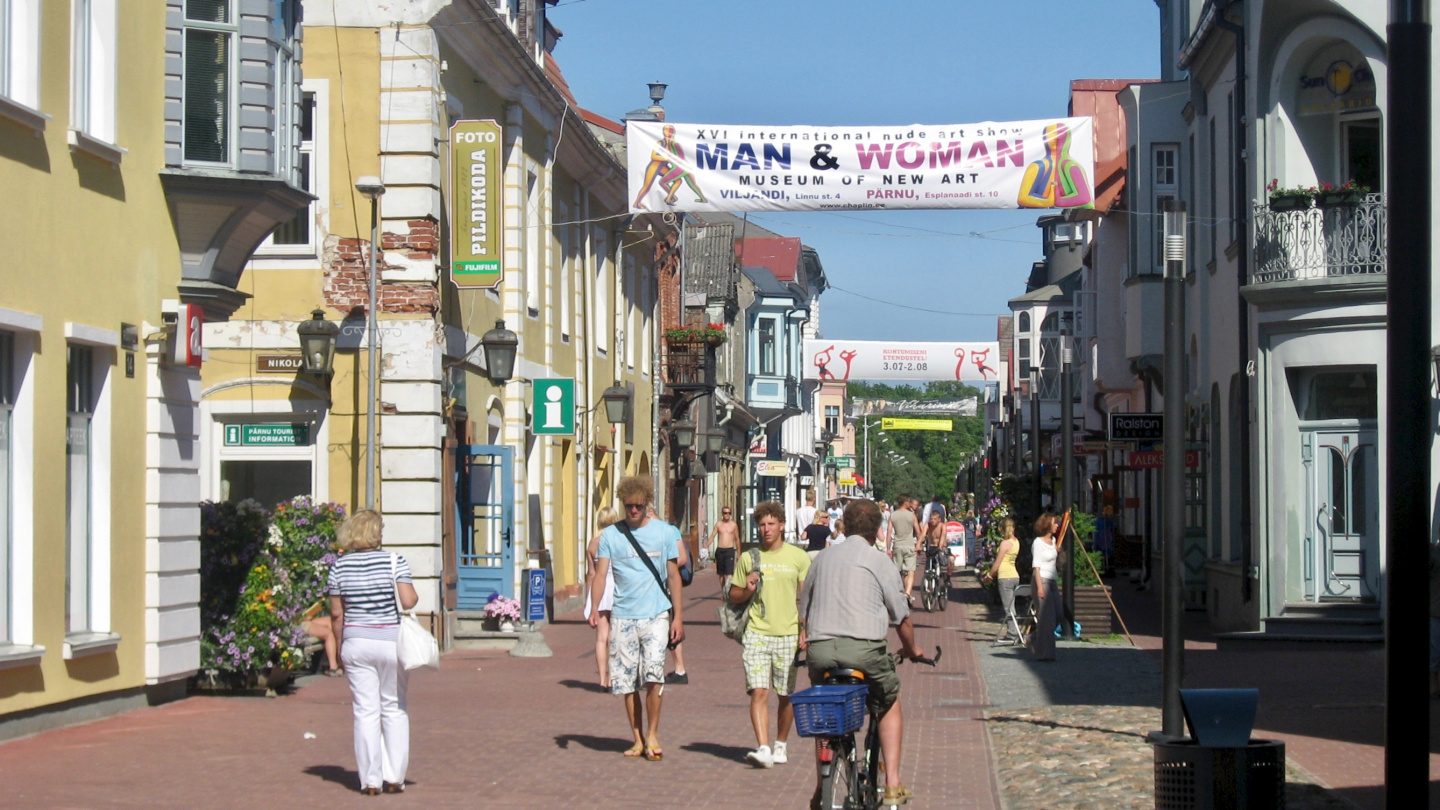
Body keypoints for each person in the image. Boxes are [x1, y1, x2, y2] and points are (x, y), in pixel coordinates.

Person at [800, 499, 924, 808]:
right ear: (878, 529)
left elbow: (805, 608)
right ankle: (893, 783)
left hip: (822, 650)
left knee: (828, 713)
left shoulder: (822, 559)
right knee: (888, 701)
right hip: (865, 650)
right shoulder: (879, 560)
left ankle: (822, 787)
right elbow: (901, 616)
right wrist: (912, 648)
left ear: (844, 525)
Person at [589, 476, 685, 761]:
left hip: (656, 615)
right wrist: (595, 608)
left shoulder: (664, 532)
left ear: (647, 503)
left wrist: (678, 617)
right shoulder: (611, 536)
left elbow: (673, 575)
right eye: (628, 506)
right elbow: (600, 574)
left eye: (638, 506)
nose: (633, 511)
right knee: (627, 681)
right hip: (622, 616)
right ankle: (637, 737)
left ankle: (653, 733)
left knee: (655, 675)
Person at [327, 510, 418, 795]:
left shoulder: (339, 566)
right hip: (390, 640)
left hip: (356, 641)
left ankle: (369, 780)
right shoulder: (394, 561)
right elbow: (408, 600)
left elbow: (336, 613)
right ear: (377, 533)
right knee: (393, 707)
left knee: (365, 711)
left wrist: (340, 647)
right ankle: (394, 777)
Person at [730, 501, 812, 768]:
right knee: (759, 692)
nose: (766, 529)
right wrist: (749, 589)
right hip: (756, 632)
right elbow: (734, 595)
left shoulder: (798, 557)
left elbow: (806, 597)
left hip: (788, 633)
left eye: (771, 524)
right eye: (762, 525)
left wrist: (805, 629)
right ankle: (763, 747)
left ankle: (780, 744)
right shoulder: (749, 558)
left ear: (782, 526)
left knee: (785, 694)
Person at [584, 506, 621, 689]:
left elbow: (591, 574)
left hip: (599, 590)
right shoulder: (620, 541)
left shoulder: (593, 543)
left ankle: (601, 680)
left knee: (601, 637)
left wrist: (590, 601)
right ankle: (613, 678)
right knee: (615, 636)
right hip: (617, 588)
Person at [982, 518, 1022, 645]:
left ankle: (1012, 633)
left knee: (1008, 607)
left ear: (1002, 529)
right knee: (1012, 605)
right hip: (1015, 575)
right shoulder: (1016, 542)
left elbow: (997, 563)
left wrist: (989, 575)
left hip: (1005, 576)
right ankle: (1014, 631)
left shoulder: (1005, 543)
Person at [1031, 512, 1063, 662]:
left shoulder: (1054, 541)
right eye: (1054, 523)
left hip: (1053, 580)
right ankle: (1045, 653)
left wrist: (1058, 552)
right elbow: (1036, 567)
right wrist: (1039, 588)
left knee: (1058, 614)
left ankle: (1034, 637)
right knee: (1046, 618)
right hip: (1042, 579)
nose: (1057, 525)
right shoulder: (1038, 543)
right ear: (1047, 525)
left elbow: (1057, 560)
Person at [889, 493, 919, 601]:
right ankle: (907, 593)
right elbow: (918, 531)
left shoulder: (893, 515)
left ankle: (900, 592)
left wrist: (888, 548)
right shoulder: (912, 515)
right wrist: (919, 544)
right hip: (909, 545)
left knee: (898, 571)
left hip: (897, 546)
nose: (910, 504)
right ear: (906, 502)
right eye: (909, 502)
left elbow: (889, 533)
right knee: (910, 571)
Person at [301, 600, 342, 676]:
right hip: (298, 623)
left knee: (331, 622)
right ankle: (333, 667)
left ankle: (338, 660)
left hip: (302, 619)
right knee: (328, 634)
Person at [708, 506, 741, 588]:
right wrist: (706, 546)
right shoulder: (719, 524)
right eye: (725, 513)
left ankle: (729, 591)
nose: (727, 515)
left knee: (729, 574)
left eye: (729, 513)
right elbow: (712, 536)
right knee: (721, 574)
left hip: (730, 550)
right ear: (722, 514)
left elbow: (737, 539)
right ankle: (723, 591)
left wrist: (739, 553)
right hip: (720, 550)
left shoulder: (733, 525)